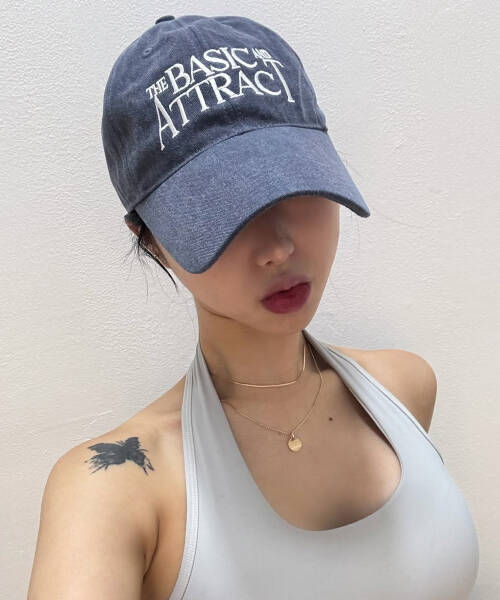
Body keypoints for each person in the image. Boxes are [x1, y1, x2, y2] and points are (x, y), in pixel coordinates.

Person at [28, 14, 479, 600]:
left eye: (295, 183)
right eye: (220, 208)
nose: (278, 248)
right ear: (151, 239)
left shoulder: (406, 387)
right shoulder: (113, 489)